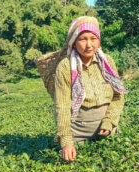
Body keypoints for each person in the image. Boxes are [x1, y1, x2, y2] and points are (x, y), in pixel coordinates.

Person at [53, 16, 127, 162]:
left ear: (98, 40)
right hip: (78, 133)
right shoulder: (65, 66)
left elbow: (118, 96)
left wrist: (110, 121)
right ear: (74, 42)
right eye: (82, 39)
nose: (89, 45)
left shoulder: (108, 61)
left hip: (107, 130)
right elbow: (62, 106)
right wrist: (67, 142)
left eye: (93, 38)